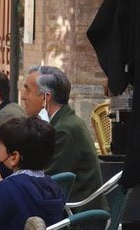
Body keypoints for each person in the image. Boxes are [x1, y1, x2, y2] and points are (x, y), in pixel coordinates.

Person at [21, 65, 102, 207]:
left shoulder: (64, 130)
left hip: (76, 218)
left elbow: (46, 182)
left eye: (28, 90)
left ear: (46, 98)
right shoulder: (62, 122)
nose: (23, 96)